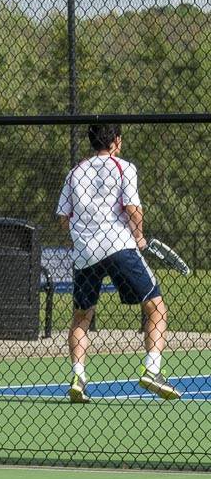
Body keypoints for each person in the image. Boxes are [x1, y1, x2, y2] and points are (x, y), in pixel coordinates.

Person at [56, 123, 180, 403]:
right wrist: (139, 237)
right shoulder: (124, 167)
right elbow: (134, 210)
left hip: (85, 253)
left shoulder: (75, 172)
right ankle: (152, 370)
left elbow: (64, 217)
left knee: (81, 316)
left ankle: (78, 376)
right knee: (156, 307)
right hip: (119, 245)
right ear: (116, 141)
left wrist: (81, 238)